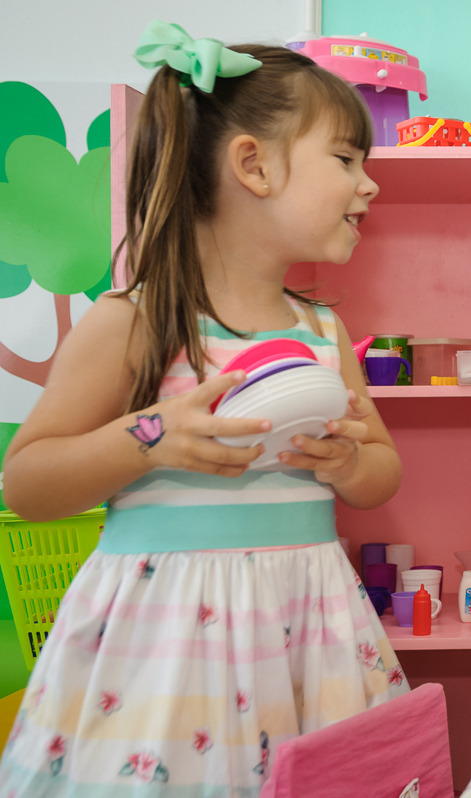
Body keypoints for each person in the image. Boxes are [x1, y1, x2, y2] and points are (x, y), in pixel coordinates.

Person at [0, 21, 408, 794]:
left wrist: (351, 460)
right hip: (166, 652)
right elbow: (26, 482)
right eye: (347, 159)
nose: (369, 183)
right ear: (252, 165)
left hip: (307, 635)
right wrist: (150, 436)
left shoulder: (323, 330)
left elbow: (382, 474)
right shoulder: (138, 320)